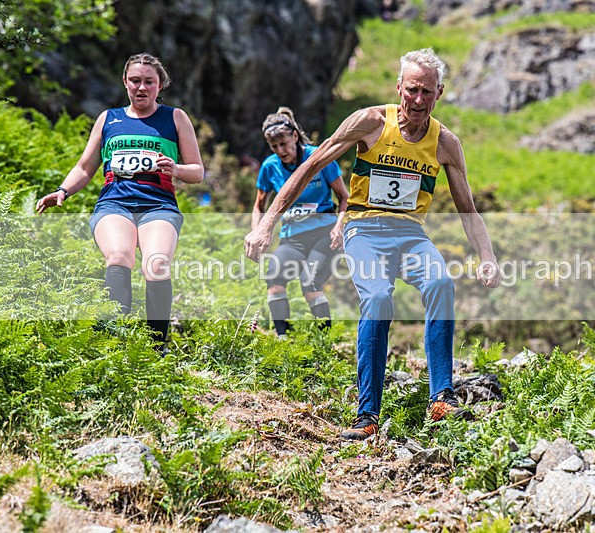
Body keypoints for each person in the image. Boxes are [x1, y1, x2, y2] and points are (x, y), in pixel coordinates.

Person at [245, 48, 500, 440]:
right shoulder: (370, 122)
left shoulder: (445, 142)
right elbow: (310, 165)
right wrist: (266, 224)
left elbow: (468, 209)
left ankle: (442, 398)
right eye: (411, 89)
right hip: (363, 230)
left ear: (440, 93)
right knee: (379, 299)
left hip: (411, 235)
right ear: (399, 87)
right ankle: (367, 417)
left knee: (441, 284)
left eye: (426, 92)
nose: (417, 100)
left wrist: (487, 257)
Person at [36, 52, 204, 350]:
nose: (141, 88)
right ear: (125, 82)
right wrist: (62, 191)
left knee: (157, 264)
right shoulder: (108, 118)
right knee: (118, 257)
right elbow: (85, 167)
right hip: (115, 204)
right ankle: (117, 342)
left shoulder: (175, 118)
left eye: (149, 82)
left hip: (159, 205)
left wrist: (176, 169)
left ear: (160, 85)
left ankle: (156, 346)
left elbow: (197, 172)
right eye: (135, 81)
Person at [253, 107, 349, 336]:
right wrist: (257, 233)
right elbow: (259, 206)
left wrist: (339, 227)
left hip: (324, 234)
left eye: (284, 144)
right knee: (274, 277)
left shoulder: (319, 158)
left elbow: (345, 198)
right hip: (291, 238)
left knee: (310, 282)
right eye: (274, 147)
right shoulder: (270, 167)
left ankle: (322, 344)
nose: (280, 151)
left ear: (294, 136)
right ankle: (282, 338)